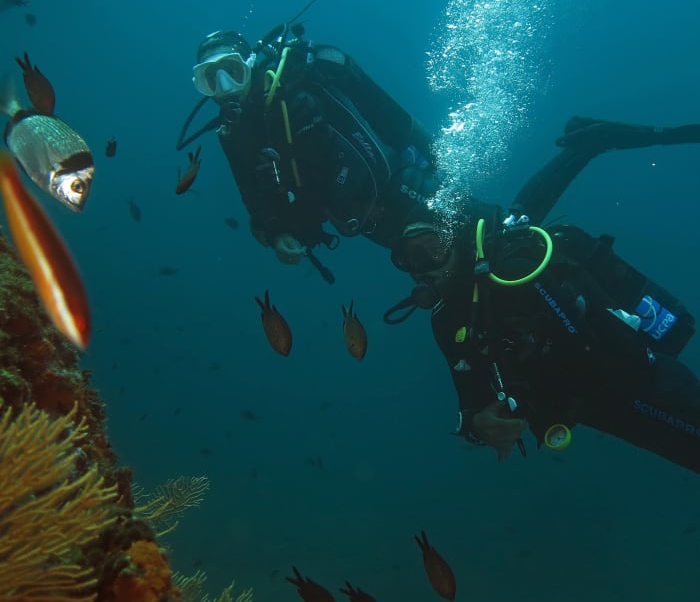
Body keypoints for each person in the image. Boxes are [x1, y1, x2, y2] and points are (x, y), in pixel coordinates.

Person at [387, 116, 700, 474]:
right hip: (598, 410)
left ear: (456, 246)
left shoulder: (514, 275)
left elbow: (585, 352)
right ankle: (589, 144)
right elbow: (471, 398)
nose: (421, 266)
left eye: (430, 249)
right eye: (406, 258)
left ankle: (592, 143)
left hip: (638, 382)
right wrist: (478, 426)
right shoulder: (446, 322)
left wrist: (526, 401)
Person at [179, 23, 438, 280]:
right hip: (363, 220)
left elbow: (377, 124)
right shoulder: (233, 132)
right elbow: (250, 190)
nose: (225, 86)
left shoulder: (295, 89)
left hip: (400, 186)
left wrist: (434, 154)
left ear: (249, 65)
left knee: (468, 236)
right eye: (211, 78)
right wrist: (277, 233)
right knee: (438, 272)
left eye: (233, 71)